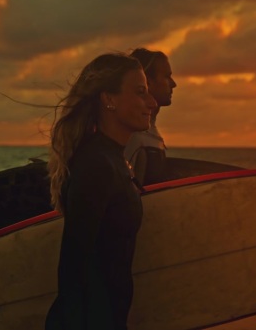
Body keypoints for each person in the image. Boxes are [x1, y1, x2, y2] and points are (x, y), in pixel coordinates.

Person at [45, 52, 158, 330]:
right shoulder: (97, 165)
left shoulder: (114, 159)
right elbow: (73, 267)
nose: (152, 103)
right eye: (141, 92)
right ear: (109, 99)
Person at [124, 48, 177, 185]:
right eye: (166, 76)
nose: (173, 84)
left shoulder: (150, 132)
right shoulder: (133, 135)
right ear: (147, 82)